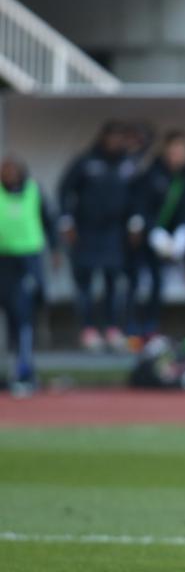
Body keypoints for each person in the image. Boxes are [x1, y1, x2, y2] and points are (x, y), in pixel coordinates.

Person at [57, 120, 140, 352]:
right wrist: (66, 221)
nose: (115, 142)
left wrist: (135, 222)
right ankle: (88, 330)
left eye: (119, 137)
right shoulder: (86, 161)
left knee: (113, 282)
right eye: (111, 137)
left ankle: (113, 329)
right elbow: (65, 189)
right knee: (85, 283)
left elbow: (136, 196)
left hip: (114, 232)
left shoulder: (127, 163)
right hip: (87, 230)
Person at [125, 130, 185, 342]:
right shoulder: (152, 172)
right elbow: (139, 203)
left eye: (181, 151)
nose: (177, 155)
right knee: (134, 280)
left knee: (157, 282)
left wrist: (183, 230)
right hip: (145, 234)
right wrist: (151, 230)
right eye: (173, 151)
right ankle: (130, 326)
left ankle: (151, 326)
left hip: (166, 238)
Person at [0, 156, 57, 397]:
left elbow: (49, 222)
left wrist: (54, 249)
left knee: (23, 316)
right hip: (2, 260)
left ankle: (24, 370)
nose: (9, 174)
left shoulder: (34, 191)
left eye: (13, 170)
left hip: (27, 262)